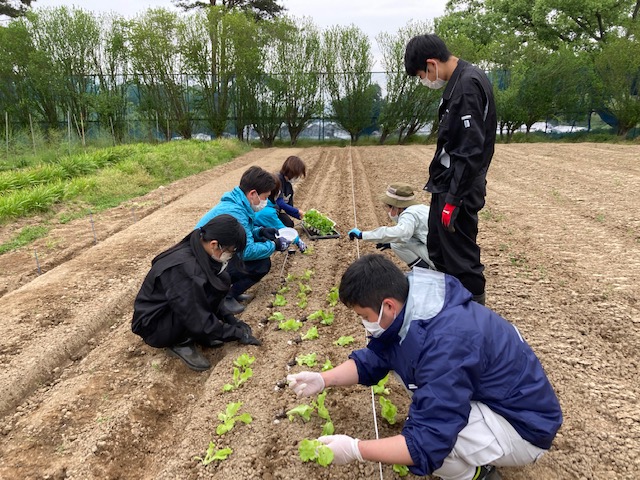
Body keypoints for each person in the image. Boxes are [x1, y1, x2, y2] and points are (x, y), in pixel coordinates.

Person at [287, 254, 562, 480]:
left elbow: (426, 441)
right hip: (501, 400)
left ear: (388, 306)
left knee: (436, 449)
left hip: (524, 427)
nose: (364, 323)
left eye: (364, 316)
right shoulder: (415, 307)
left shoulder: (446, 343)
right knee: (424, 408)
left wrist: (356, 449)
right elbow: (376, 359)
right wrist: (323, 379)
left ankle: (477, 475)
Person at [404, 34, 497, 305]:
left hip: (460, 187)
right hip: (447, 183)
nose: (425, 80)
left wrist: (453, 201)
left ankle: (474, 315)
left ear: (432, 64)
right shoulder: (460, 82)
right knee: (439, 248)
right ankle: (450, 308)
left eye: (423, 74)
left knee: (461, 257)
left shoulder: (467, 86)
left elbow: (471, 151)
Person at [131, 215, 261, 372]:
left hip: (174, 309)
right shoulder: (186, 269)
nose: (230, 256)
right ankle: (180, 341)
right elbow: (196, 316)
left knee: (219, 281)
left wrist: (230, 320)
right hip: (155, 325)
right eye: (231, 251)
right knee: (198, 308)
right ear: (214, 244)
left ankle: (196, 334)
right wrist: (235, 333)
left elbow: (209, 298)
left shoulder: (198, 245)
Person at [196, 166, 292, 314]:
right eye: (265, 197)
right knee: (261, 263)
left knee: (258, 258)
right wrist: (274, 245)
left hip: (212, 257)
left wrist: (260, 232)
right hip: (203, 265)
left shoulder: (239, 204)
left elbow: (241, 232)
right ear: (253, 193)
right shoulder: (235, 211)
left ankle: (229, 291)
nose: (265, 201)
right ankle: (224, 297)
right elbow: (247, 251)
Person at [347, 183, 434, 270]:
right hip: (443, 253)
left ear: (396, 207)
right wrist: (389, 242)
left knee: (397, 244)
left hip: (441, 259)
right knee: (396, 243)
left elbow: (401, 234)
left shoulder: (409, 214)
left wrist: (362, 235)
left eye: (387, 206)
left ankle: (428, 274)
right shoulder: (420, 209)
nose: (387, 210)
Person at [255, 174, 308, 253]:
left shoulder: (266, 204)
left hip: (255, 230)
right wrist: (298, 240)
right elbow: (282, 229)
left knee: (287, 222)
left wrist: (298, 215)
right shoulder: (268, 212)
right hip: (253, 237)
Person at [276, 155, 306, 227]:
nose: (298, 177)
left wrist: (303, 217)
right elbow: (279, 202)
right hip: (268, 211)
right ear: (292, 172)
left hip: (276, 213)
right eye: (297, 175)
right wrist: (298, 211)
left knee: (289, 224)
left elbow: (289, 208)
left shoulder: (289, 187)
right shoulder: (277, 180)